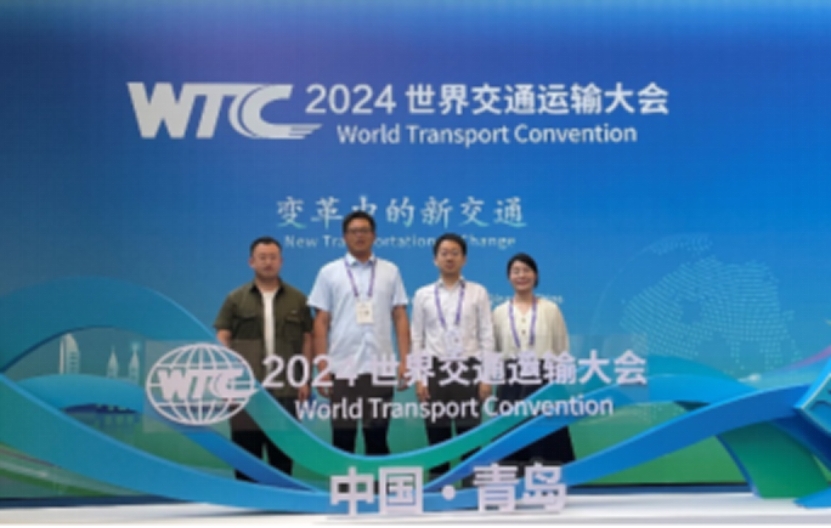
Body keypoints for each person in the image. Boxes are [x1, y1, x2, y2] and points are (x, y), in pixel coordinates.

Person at [308, 211, 410, 455]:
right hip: (342, 368)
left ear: (374, 236)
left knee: (377, 440)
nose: (359, 236)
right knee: (343, 440)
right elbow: (321, 321)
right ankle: (345, 483)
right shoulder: (329, 272)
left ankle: (378, 482)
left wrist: (406, 361)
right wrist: (322, 368)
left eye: (364, 231)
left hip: (380, 368)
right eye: (353, 231)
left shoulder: (390, 271)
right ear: (344, 237)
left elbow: (399, 316)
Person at [214, 236, 313, 480]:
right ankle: (248, 500)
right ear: (251, 262)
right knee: (247, 454)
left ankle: (282, 499)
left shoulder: (298, 299)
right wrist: (227, 377)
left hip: (285, 388)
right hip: (246, 388)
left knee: (283, 454)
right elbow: (223, 336)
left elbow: (307, 339)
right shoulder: (236, 298)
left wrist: (304, 378)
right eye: (262, 257)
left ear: (281, 261)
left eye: (273, 257)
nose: (268, 262)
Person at [410, 233, 494, 481]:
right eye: (444, 253)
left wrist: (486, 377)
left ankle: (471, 488)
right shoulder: (423, 294)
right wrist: (419, 378)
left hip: (468, 369)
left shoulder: (478, 292)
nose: (449, 258)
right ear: (435, 259)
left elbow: (487, 335)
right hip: (435, 370)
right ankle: (438, 487)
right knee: (437, 435)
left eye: (455, 253)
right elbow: (417, 339)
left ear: (464, 259)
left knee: (470, 434)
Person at [492, 252, 575, 470]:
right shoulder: (499, 312)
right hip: (511, 381)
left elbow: (561, 348)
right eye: (516, 271)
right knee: (511, 437)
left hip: (544, 379)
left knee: (546, 438)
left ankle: (549, 481)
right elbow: (494, 351)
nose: (521, 275)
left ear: (535, 275)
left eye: (526, 270)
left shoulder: (550, 309)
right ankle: (513, 482)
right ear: (509, 277)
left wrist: (559, 379)